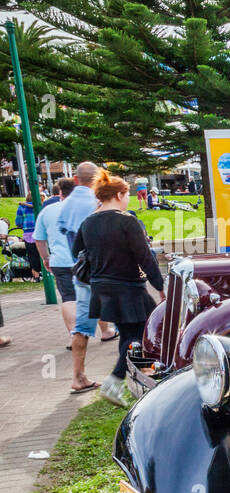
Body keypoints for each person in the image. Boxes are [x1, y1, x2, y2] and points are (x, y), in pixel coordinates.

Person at [71, 170, 165, 407]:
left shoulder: (89, 222)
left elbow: (76, 252)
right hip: (129, 288)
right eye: (127, 195)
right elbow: (145, 257)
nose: (129, 200)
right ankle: (115, 381)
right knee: (142, 333)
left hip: (102, 288)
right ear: (119, 194)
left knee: (129, 335)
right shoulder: (127, 221)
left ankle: (144, 378)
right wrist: (161, 286)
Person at [58, 161, 115, 394]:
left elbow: (69, 239)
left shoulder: (65, 204)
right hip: (107, 271)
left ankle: (78, 376)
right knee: (133, 317)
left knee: (81, 326)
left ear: (75, 180)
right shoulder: (99, 202)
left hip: (82, 274)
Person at [32, 178, 81, 347]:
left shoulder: (47, 211)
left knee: (68, 298)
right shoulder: (84, 209)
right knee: (94, 293)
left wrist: (46, 258)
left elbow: (39, 239)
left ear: (60, 192)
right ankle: (105, 331)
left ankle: (74, 334)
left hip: (59, 260)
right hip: (84, 259)